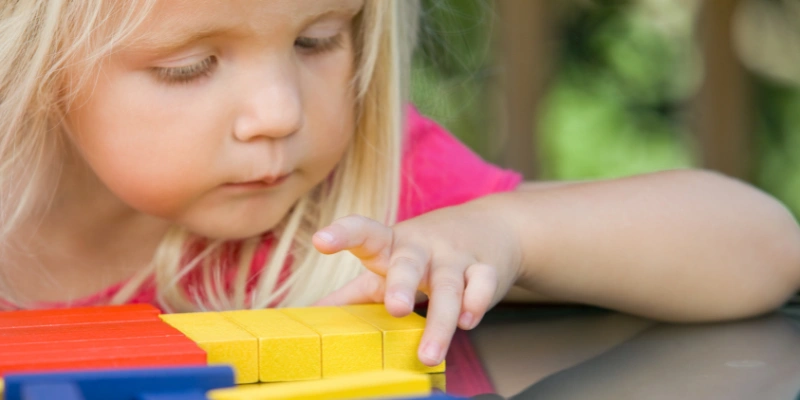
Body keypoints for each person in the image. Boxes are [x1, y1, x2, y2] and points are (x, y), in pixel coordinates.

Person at [1, 0, 798, 368]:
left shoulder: (361, 210)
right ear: (31, 65)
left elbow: (763, 246)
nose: (279, 113)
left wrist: (507, 235)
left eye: (319, 40)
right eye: (192, 66)